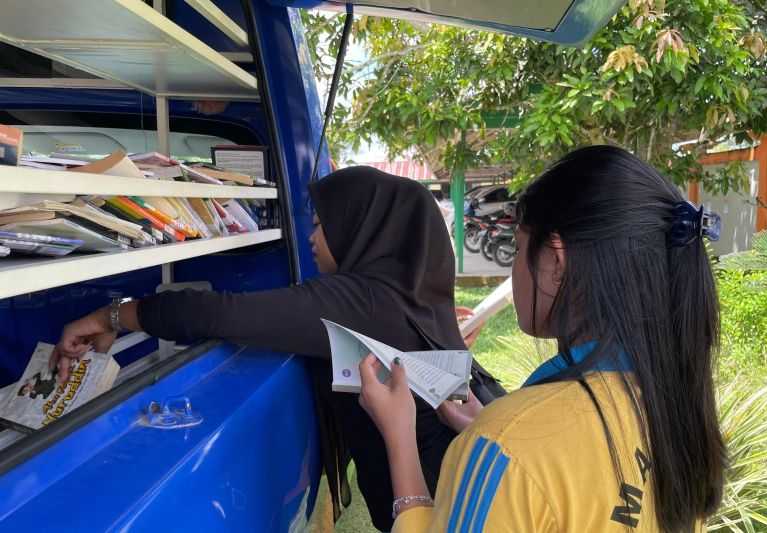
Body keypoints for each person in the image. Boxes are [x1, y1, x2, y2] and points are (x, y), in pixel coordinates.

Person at [50, 166, 501, 532]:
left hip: (428, 504)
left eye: (323, 225)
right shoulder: (420, 290)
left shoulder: (360, 300)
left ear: (360, 229)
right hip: (467, 488)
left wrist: (107, 318)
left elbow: (216, 314)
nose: (311, 239)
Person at [359, 146, 726, 532]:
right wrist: (493, 430)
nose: (514, 267)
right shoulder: (669, 402)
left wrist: (400, 436)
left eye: (518, 247)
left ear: (555, 261)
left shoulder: (507, 445)